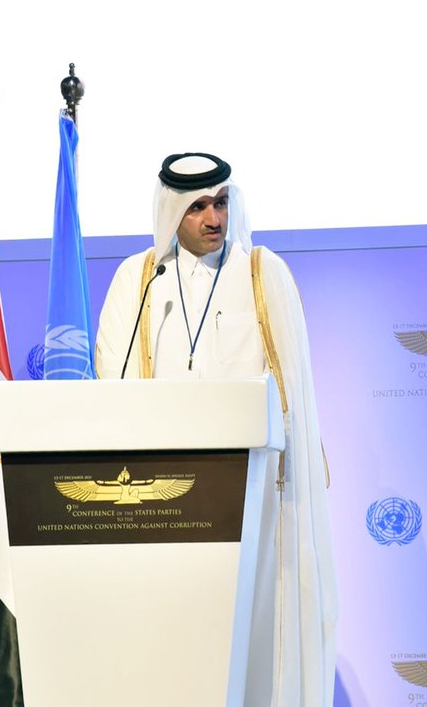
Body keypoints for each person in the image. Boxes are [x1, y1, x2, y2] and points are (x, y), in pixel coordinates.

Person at [94, 152, 337, 706]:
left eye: (221, 203)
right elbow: (112, 375)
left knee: (251, 633)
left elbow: (294, 390)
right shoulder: (137, 279)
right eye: (198, 206)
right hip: (162, 500)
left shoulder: (261, 273)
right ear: (170, 212)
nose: (213, 219)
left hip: (253, 498)